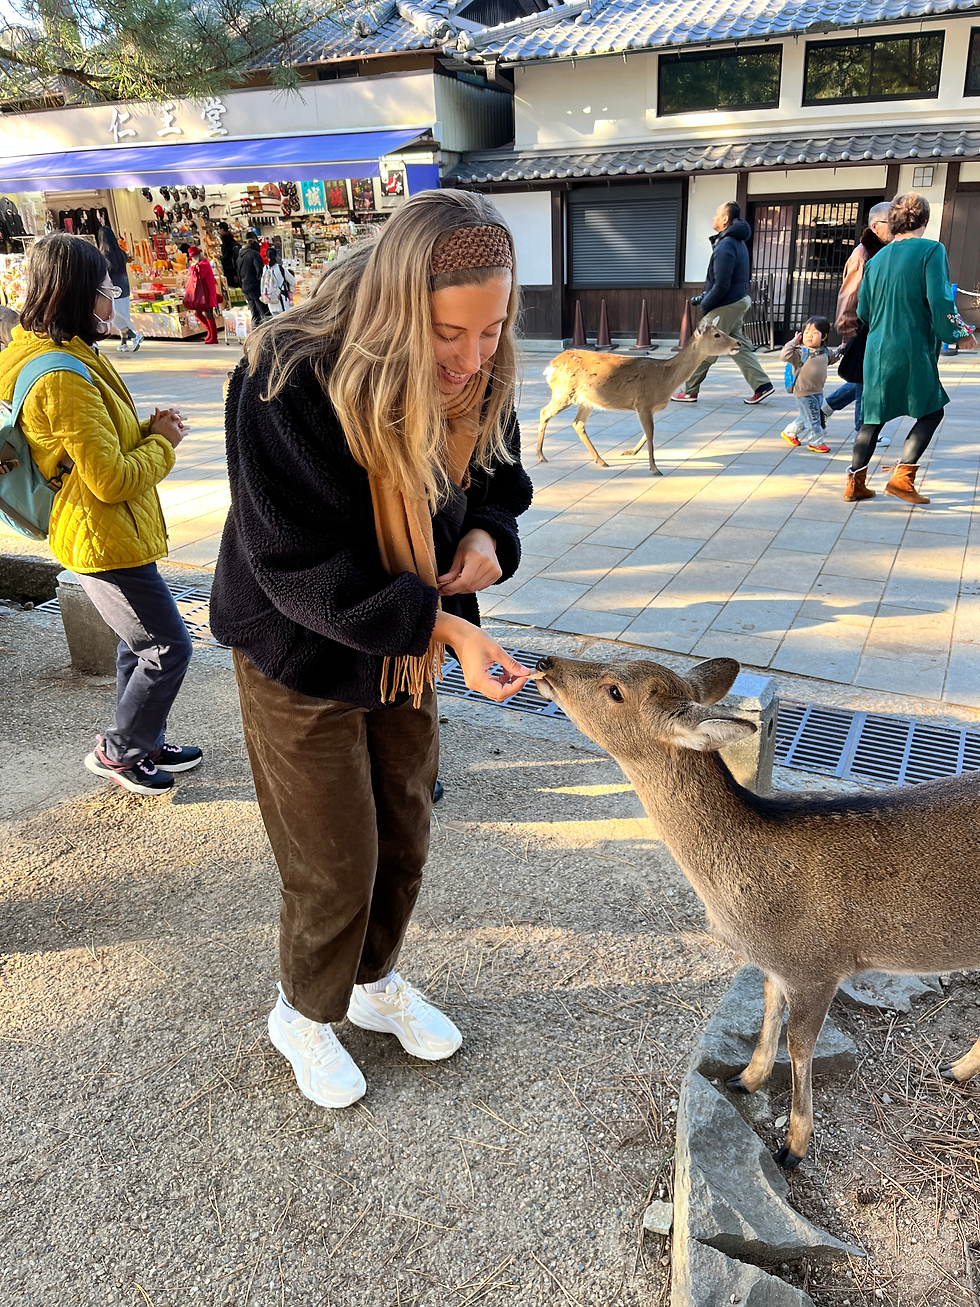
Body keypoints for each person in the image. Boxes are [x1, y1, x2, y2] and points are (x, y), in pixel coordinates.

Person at [210, 189, 533, 1109]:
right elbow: (294, 560)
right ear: (397, 303)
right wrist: (445, 628)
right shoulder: (288, 373)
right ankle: (305, 1013)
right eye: (447, 334)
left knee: (404, 825)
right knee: (334, 852)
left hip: (403, 641)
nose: (471, 360)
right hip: (299, 642)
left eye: (492, 330)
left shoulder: (484, 367)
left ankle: (372, 979)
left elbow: (500, 481)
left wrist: (483, 542)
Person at [0, 233, 200, 795]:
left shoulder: (59, 351)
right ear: (79, 295)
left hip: (107, 533)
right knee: (167, 648)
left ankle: (143, 736)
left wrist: (143, 430)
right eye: (108, 288)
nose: (115, 301)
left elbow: (89, 445)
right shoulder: (61, 375)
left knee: (135, 643)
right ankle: (121, 752)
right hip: (101, 536)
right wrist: (161, 443)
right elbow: (109, 481)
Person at [844, 193, 971, 505]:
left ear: (894, 223)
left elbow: (864, 312)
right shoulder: (931, 250)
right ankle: (902, 478)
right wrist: (958, 332)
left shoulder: (875, 261)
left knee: (872, 417)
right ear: (924, 222)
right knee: (931, 410)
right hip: (912, 346)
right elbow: (940, 299)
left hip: (877, 349)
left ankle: (854, 483)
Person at [672, 201, 773, 406]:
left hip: (725, 304)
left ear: (725, 219)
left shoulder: (726, 244)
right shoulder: (737, 241)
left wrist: (706, 304)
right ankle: (762, 385)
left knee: (703, 346)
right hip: (737, 301)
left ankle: (689, 390)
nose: (713, 217)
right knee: (738, 345)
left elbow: (721, 284)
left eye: (716, 213)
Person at [824, 201, 894, 442]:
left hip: (879, 327)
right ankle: (863, 433)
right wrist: (848, 332)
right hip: (862, 328)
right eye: (891, 222)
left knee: (865, 378)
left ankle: (825, 408)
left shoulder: (887, 251)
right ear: (875, 226)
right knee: (866, 379)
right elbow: (848, 296)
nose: (895, 228)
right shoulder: (862, 254)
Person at [779, 316, 835, 453]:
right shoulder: (799, 352)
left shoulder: (825, 352)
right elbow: (784, 356)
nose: (809, 335)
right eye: (807, 332)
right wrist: (793, 342)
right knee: (814, 418)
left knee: (808, 415)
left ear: (824, 336)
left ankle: (790, 432)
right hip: (803, 392)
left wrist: (843, 348)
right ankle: (816, 442)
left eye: (815, 332)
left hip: (817, 390)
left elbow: (833, 358)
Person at [97, 224, 144, 354]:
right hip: (124, 288)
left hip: (112, 290)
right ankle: (124, 343)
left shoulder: (103, 255)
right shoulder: (121, 253)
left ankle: (135, 337)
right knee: (123, 315)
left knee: (116, 318)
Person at [185, 247, 220, 344]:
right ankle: (210, 331)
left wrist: (192, 267)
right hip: (203, 293)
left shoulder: (204, 264)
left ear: (195, 257)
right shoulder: (202, 263)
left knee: (209, 313)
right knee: (197, 313)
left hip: (207, 292)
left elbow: (198, 275)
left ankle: (214, 336)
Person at [237, 237, 269, 327]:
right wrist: (263, 285)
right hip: (255, 286)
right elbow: (260, 271)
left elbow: (238, 274)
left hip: (245, 287)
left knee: (254, 313)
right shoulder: (254, 255)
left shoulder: (239, 257)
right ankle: (267, 333)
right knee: (264, 312)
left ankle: (254, 332)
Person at [260, 246, 294, 316]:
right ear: (276, 256)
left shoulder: (265, 268)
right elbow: (293, 281)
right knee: (284, 321)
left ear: (267, 257)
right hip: (281, 300)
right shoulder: (280, 268)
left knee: (275, 321)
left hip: (270, 301)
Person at [217, 222, 240, 287]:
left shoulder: (225, 237)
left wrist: (221, 258)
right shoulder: (230, 236)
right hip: (232, 264)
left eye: (219, 229)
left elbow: (228, 252)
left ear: (222, 229)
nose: (218, 231)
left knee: (231, 284)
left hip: (229, 265)